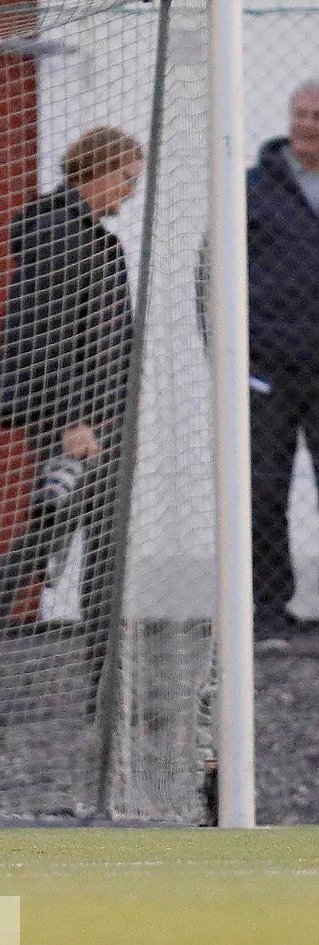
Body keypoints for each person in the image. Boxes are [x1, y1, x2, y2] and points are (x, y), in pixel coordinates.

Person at [0, 128, 141, 700]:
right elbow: (42, 334)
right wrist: (72, 421)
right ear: (98, 170)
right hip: (76, 424)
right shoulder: (58, 234)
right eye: (126, 177)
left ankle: (104, 682)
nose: (130, 191)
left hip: (100, 418)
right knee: (39, 543)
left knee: (99, 550)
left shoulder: (87, 236)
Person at [244, 80, 319, 645]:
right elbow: (210, 277)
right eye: (300, 115)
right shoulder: (251, 190)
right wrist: (236, 360)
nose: (307, 126)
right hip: (267, 372)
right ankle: (269, 612)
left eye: (316, 116)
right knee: (264, 491)